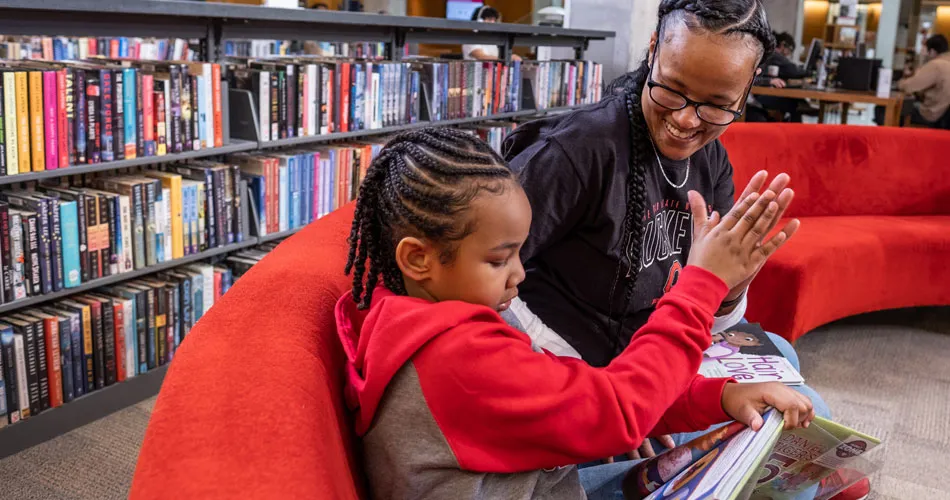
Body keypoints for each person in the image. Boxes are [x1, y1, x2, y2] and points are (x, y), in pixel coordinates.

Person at [503, 0, 866, 497]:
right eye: (671, 89)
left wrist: (732, 287)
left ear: (749, 87)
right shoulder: (576, 151)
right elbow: (480, 291)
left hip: (649, 358)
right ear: (653, 51)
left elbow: (705, 317)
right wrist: (601, 395)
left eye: (718, 104)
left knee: (781, 361)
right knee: (803, 419)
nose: (687, 120)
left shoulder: (710, 160)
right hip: (577, 373)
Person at [336, 127, 813, 500]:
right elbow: (618, 412)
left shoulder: (422, 314)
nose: (518, 275)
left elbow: (576, 387)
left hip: (545, 481)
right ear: (418, 259)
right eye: (499, 260)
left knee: (763, 439)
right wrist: (702, 283)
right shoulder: (454, 355)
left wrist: (720, 397)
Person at [894, 34, 950, 127]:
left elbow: (910, 86)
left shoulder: (936, 65)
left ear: (932, 51)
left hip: (932, 113)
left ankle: (895, 138)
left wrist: (899, 83)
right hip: (943, 114)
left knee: (893, 108)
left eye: (925, 50)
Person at [752, 31, 809, 121]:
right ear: (782, 45)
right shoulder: (773, 54)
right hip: (757, 95)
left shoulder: (768, 53)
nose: (788, 55)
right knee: (795, 105)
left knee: (795, 103)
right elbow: (793, 70)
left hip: (760, 92)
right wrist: (770, 81)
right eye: (789, 51)